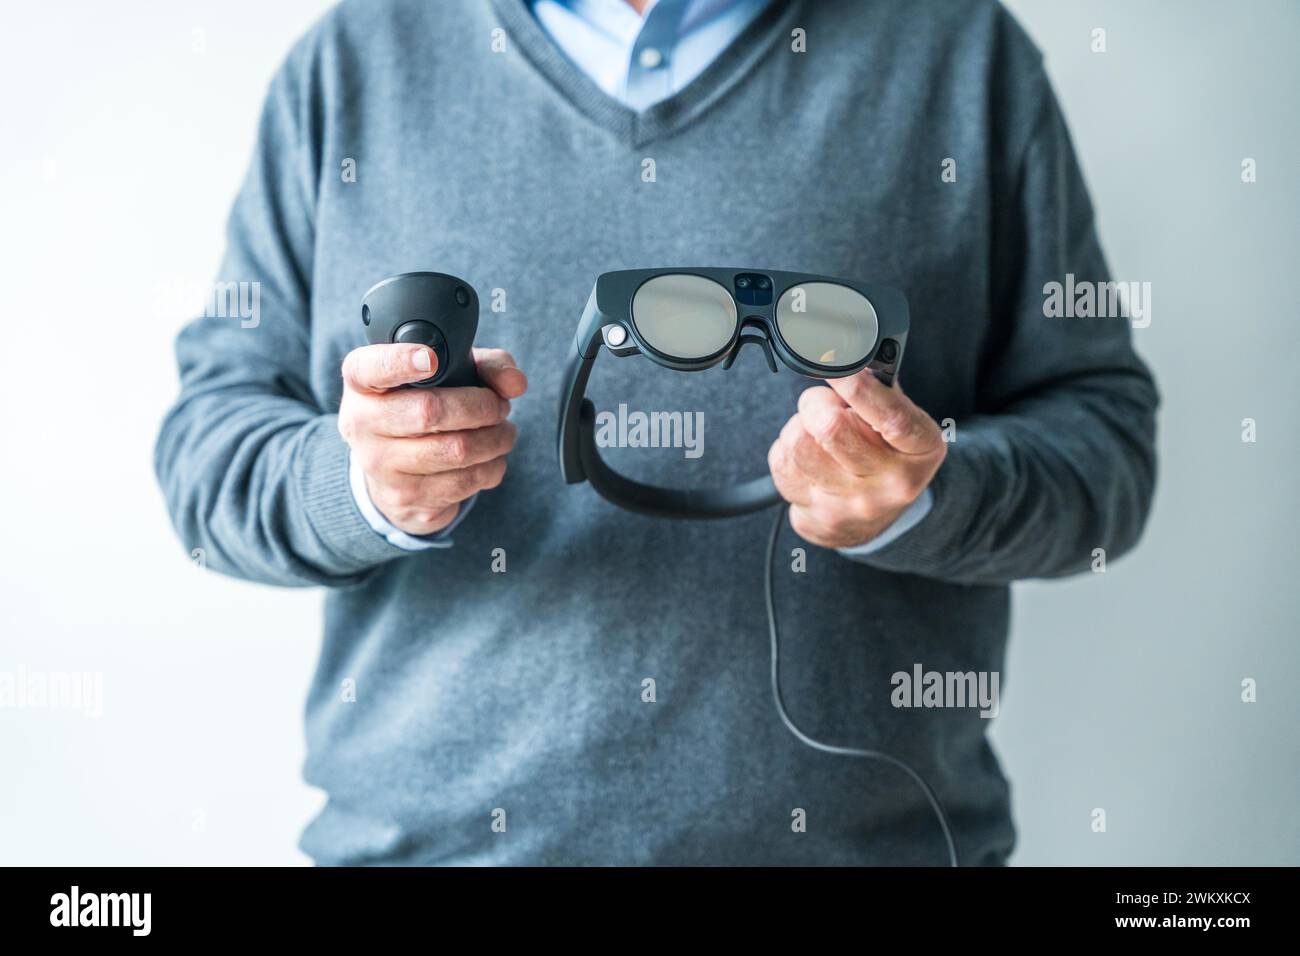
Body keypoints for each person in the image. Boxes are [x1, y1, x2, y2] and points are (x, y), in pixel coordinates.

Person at [156, 0, 1159, 865]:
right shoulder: (352, 61)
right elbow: (207, 451)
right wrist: (364, 485)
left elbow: (1105, 446)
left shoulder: (960, 52)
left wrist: (930, 496)